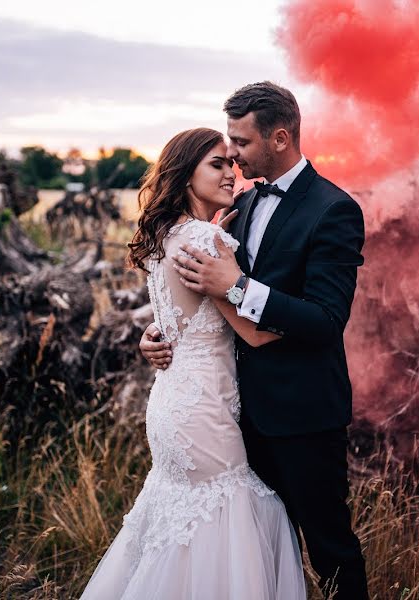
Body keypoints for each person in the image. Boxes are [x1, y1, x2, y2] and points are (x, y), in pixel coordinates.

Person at [142, 81, 369, 599]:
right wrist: (158, 332)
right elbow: (197, 301)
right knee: (256, 542)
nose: (235, 160)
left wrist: (239, 287)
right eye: (227, 148)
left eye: (241, 144)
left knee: (329, 548)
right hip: (230, 414)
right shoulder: (237, 206)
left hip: (302, 414)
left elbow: (326, 319)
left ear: (281, 137)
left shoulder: (333, 210)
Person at [80, 127, 306, 600]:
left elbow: (176, 320)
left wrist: (152, 336)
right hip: (203, 409)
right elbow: (253, 331)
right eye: (217, 164)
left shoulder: (168, 235)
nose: (231, 172)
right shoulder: (205, 239)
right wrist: (316, 321)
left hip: (171, 401)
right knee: (226, 520)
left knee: (183, 522)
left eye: (231, 161)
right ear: (186, 176)